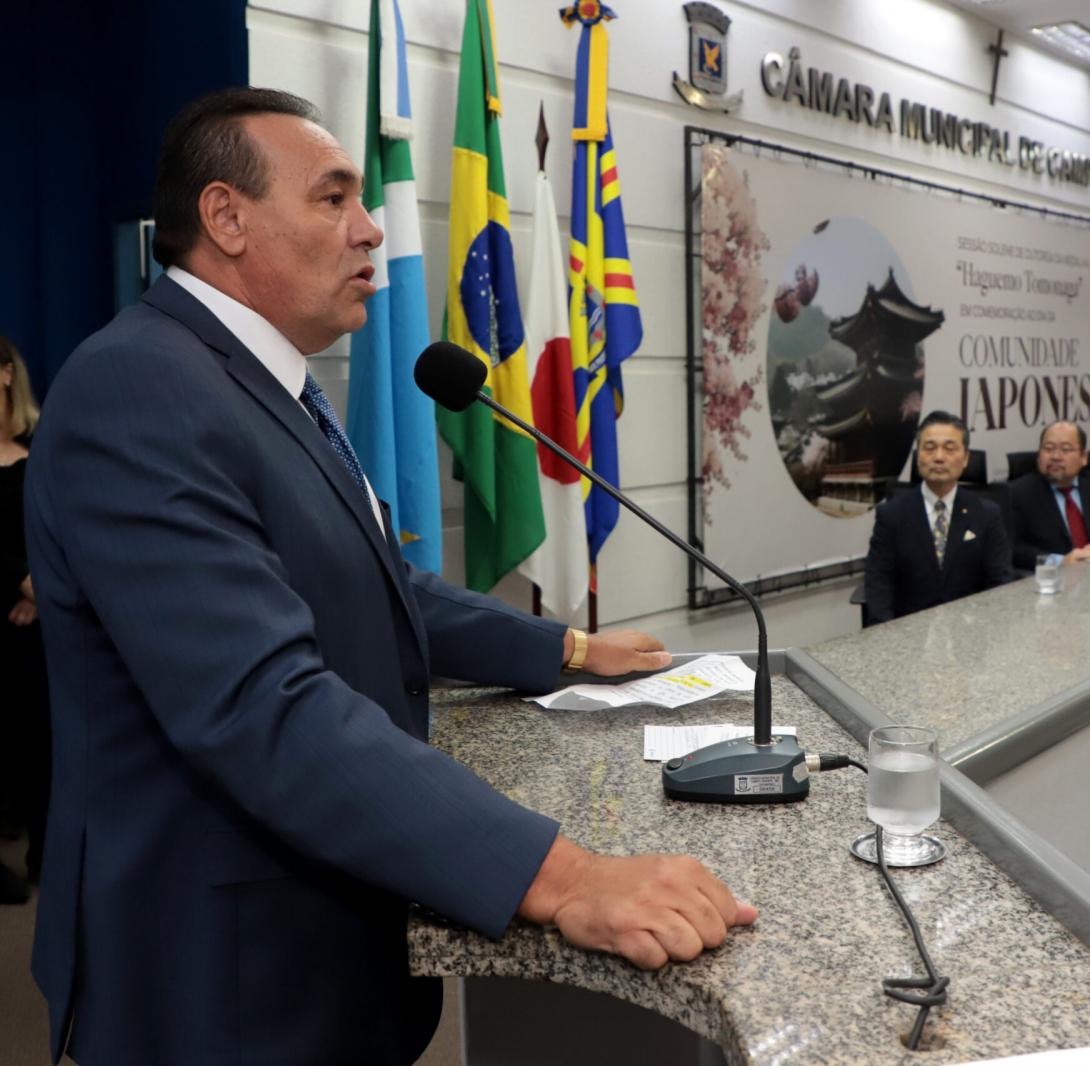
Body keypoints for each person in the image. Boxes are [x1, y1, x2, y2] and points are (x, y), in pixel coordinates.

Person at [24, 88, 755, 1066]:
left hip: (318, 940)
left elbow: (379, 582)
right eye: (333, 199)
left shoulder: (263, 384)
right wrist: (568, 875)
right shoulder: (141, 388)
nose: (372, 230)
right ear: (225, 218)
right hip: (219, 981)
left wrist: (568, 648)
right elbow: (259, 704)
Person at [863, 410, 1012, 625]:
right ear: (918, 457)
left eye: (950, 449)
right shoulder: (892, 515)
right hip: (908, 634)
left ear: (966, 458)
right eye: (929, 448)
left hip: (970, 633)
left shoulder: (987, 514)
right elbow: (878, 583)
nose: (939, 457)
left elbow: (1000, 581)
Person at [0, 336, 46, 905]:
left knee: (42, 736)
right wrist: (20, 579)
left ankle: (46, 852)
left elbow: (61, 523)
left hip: (36, 613)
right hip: (8, 596)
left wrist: (41, 590)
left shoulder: (41, 444)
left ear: (7, 373)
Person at [1009, 420, 1090, 567]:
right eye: (1048, 448)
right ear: (1038, 456)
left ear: (1084, 457)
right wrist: (1059, 562)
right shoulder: (1019, 493)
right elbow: (1014, 549)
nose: (1055, 456)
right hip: (1051, 581)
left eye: (1065, 450)